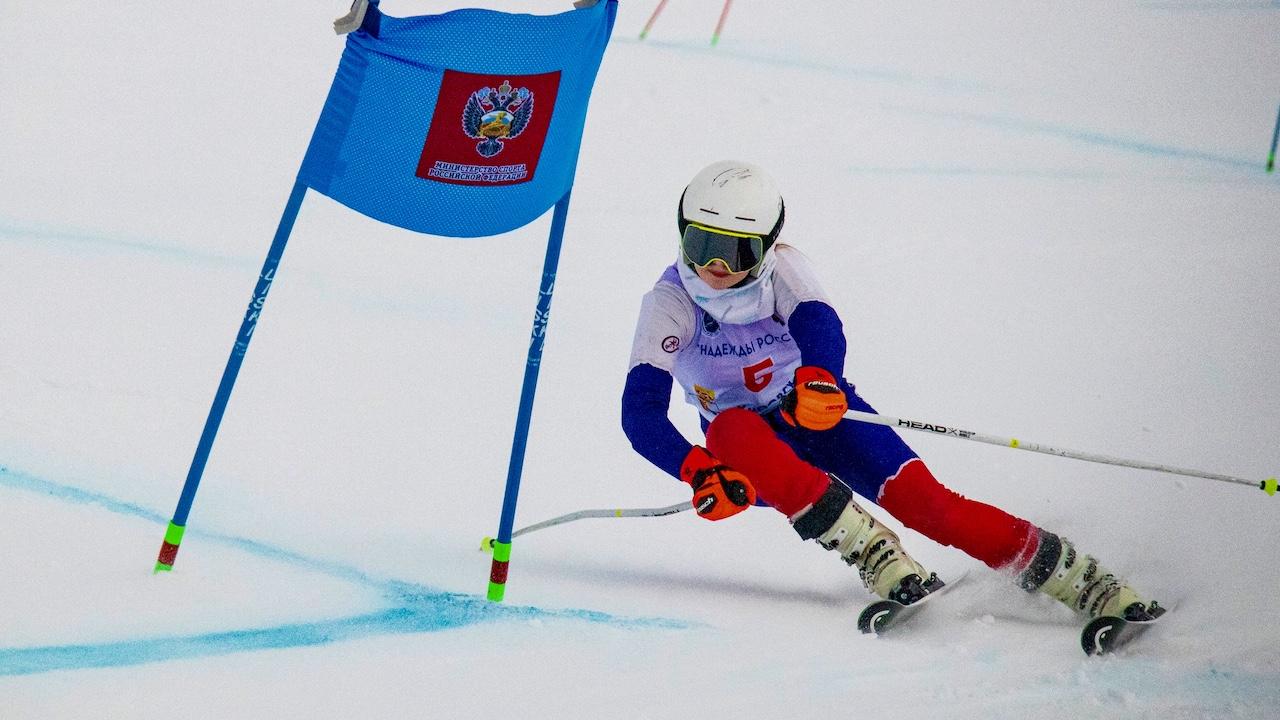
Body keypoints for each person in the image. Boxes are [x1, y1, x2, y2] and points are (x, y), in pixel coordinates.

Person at [620, 159, 1162, 619]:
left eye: (736, 253)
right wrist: (697, 470)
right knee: (733, 427)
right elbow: (640, 411)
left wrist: (821, 378)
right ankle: (874, 553)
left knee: (934, 509)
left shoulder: (784, 271)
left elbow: (818, 320)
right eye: (700, 243)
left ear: (765, 247)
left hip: (818, 414)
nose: (714, 268)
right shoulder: (669, 303)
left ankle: (1085, 581)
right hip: (750, 457)